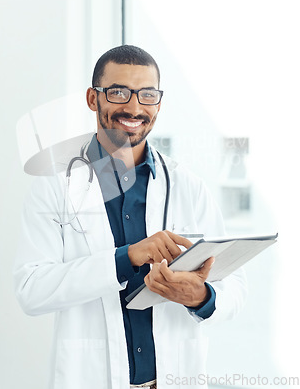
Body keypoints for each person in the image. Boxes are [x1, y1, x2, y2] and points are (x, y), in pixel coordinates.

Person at [14, 45, 247, 389]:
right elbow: (31, 290)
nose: (134, 107)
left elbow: (235, 289)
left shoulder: (189, 186)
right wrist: (128, 258)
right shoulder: (55, 186)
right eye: (119, 92)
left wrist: (201, 298)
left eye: (147, 95)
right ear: (93, 99)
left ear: (159, 103)